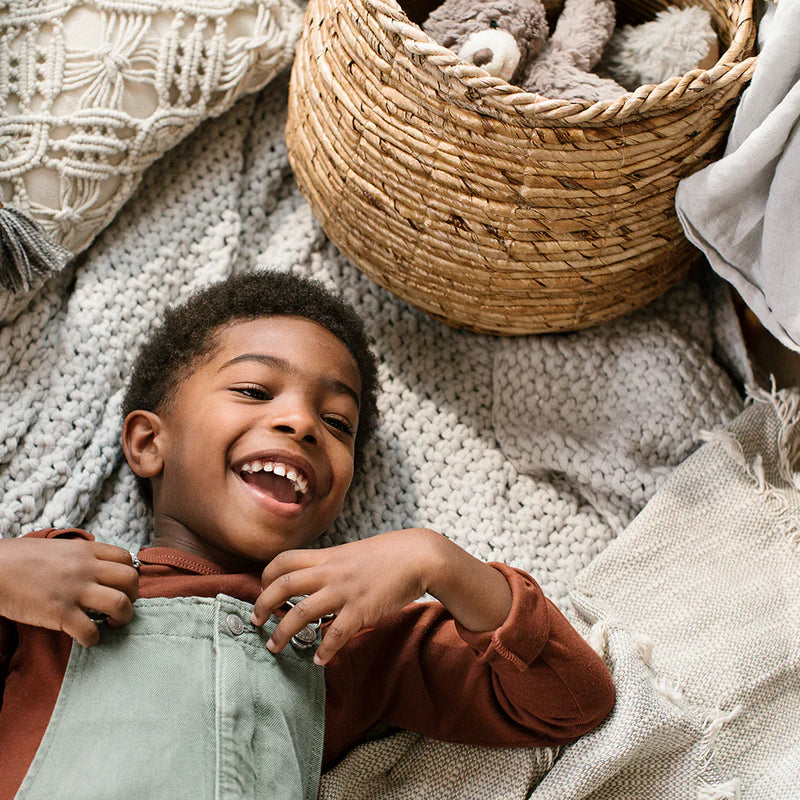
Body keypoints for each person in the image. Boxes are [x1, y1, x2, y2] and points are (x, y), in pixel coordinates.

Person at [0, 271, 615, 799]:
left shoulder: (341, 639)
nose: (299, 422)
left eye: (337, 422)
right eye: (253, 390)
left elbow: (574, 700)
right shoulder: (56, 583)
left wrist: (438, 560)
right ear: (148, 442)